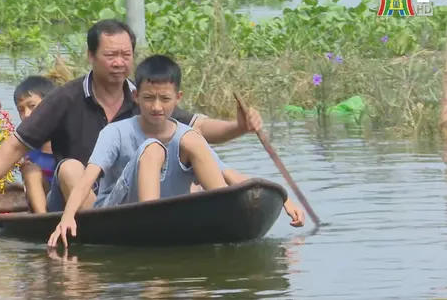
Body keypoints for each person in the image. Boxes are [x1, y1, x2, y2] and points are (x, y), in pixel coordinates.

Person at [0, 19, 265, 219]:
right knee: (71, 168)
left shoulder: (144, 97)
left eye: (126, 55)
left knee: (188, 174)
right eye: (110, 55)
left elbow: (197, 127)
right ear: (91, 56)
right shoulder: (65, 98)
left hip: (126, 199)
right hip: (72, 202)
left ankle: (202, 215)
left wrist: (239, 126)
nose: (120, 63)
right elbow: (16, 146)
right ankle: (107, 225)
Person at [47, 55, 305, 247]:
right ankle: (151, 222)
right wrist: (67, 217)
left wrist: (284, 199)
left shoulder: (185, 134)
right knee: (152, 148)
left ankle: (223, 215)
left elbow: (227, 174)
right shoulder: (116, 132)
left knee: (193, 139)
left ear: (178, 98)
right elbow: (88, 179)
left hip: (170, 208)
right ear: (136, 96)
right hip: (121, 210)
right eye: (148, 98)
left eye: (165, 99)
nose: (156, 107)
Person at [14, 76, 58, 214]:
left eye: (32, 106)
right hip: (43, 203)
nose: (26, 114)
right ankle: (43, 220)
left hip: (67, 197)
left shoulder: (70, 136)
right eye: (21, 110)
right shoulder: (24, 146)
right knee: (30, 171)